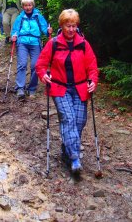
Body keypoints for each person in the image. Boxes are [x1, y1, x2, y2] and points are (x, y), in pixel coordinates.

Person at [35, 9, 99, 174]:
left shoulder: (83, 44)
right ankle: (75, 158)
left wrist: (93, 81)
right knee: (68, 118)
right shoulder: (54, 43)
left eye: (74, 26)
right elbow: (41, 64)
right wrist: (43, 75)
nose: (71, 29)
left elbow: (92, 66)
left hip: (80, 88)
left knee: (79, 121)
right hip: (59, 87)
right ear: (62, 26)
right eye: (68, 26)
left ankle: (67, 148)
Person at [11, 0, 53, 99]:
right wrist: (14, 36)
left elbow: (44, 28)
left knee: (36, 66)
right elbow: (15, 29)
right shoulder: (20, 17)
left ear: (32, 5)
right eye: (25, 5)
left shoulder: (38, 16)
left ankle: (32, 89)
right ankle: (20, 88)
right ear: (23, 6)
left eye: (29, 5)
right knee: (22, 64)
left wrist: (48, 32)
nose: (27, 7)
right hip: (22, 43)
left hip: (35, 43)